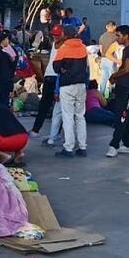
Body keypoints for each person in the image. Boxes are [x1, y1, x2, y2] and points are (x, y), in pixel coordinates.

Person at [52, 25, 89, 159]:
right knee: (80, 116)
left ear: (65, 35)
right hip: (81, 85)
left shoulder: (64, 48)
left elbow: (56, 67)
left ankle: (68, 148)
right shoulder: (84, 47)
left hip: (67, 86)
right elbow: (87, 68)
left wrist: (63, 69)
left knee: (68, 117)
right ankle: (82, 147)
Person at [105, 25, 129, 158]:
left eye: (119, 35)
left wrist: (114, 75)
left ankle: (114, 144)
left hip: (128, 88)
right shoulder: (127, 49)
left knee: (121, 116)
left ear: (126, 36)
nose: (117, 38)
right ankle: (127, 144)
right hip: (122, 86)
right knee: (127, 117)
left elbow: (126, 69)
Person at [0, 32, 17, 104]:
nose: (8, 40)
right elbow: (7, 69)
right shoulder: (4, 53)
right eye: (7, 39)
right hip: (3, 82)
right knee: (3, 102)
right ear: (3, 40)